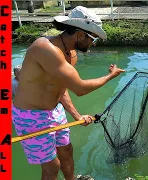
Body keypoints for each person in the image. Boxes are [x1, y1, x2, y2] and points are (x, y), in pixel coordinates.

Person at [12, 6, 125, 180]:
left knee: (67, 152)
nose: (93, 45)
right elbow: (80, 88)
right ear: (80, 34)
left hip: (55, 111)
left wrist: (77, 115)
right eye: (93, 39)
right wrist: (110, 76)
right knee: (52, 166)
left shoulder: (71, 54)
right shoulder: (45, 48)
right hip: (31, 115)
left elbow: (61, 88)